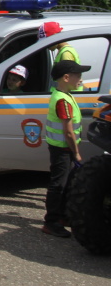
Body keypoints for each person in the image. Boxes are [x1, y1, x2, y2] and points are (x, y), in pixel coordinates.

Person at [42, 60, 90, 238]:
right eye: (78, 75)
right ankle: (51, 221)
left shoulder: (64, 95)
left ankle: (62, 216)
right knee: (58, 185)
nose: (81, 79)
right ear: (66, 77)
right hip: (62, 149)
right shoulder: (62, 100)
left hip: (62, 148)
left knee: (66, 182)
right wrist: (76, 153)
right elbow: (68, 132)